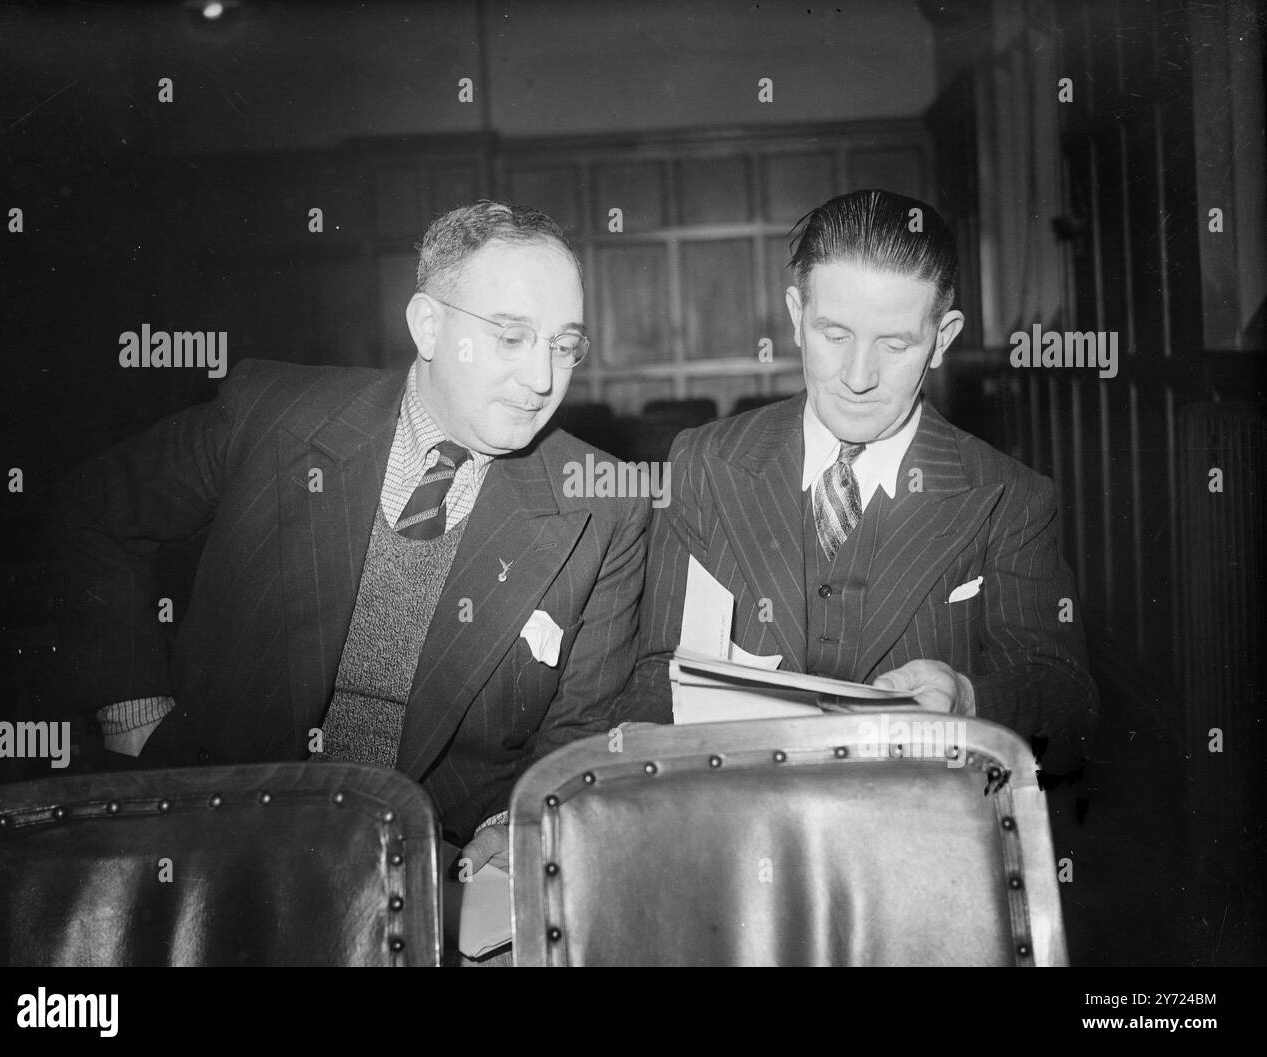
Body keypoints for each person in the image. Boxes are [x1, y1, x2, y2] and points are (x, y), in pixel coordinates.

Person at [53, 201, 650, 869]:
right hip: (217, 839)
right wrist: (134, 711)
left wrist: (515, 825)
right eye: (511, 337)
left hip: (429, 871)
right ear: (428, 325)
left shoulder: (604, 504)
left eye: (564, 346)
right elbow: (91, 511)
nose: (543, 379)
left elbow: (574, 734)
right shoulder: (271, 414)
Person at [621, 189, 1098, 771]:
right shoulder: (701, 462)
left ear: (941, 341)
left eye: (896, 344)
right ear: (797, 318)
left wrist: (968, 699)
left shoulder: (1011, 497)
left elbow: (1068, 707)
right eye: (835, 335)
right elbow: (659, 671)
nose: (857, 377)